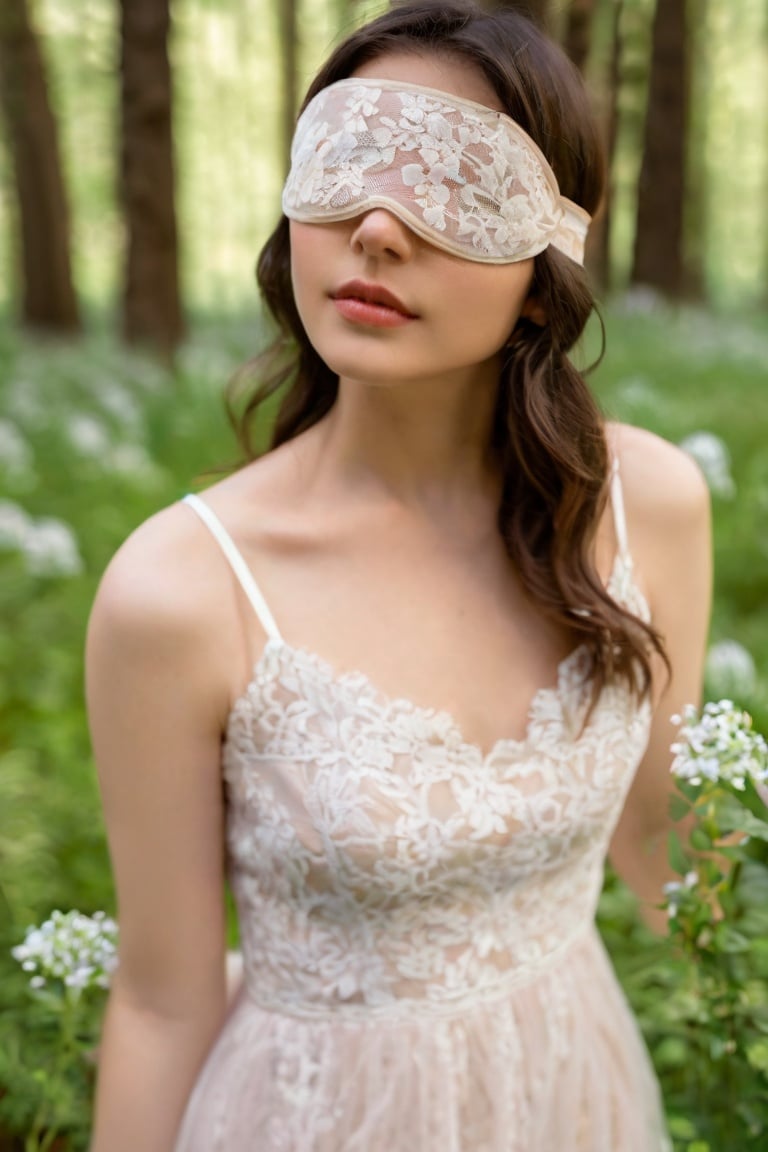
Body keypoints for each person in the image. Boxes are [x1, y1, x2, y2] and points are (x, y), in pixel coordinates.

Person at [85, 2, 711, 1149]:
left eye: (454, 184)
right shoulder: (181, 591)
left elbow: (666, 846)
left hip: (578, 1101)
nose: (378, 225)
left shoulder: (646, 506)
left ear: (545, 266)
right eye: (349, 162)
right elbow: (163, 998)